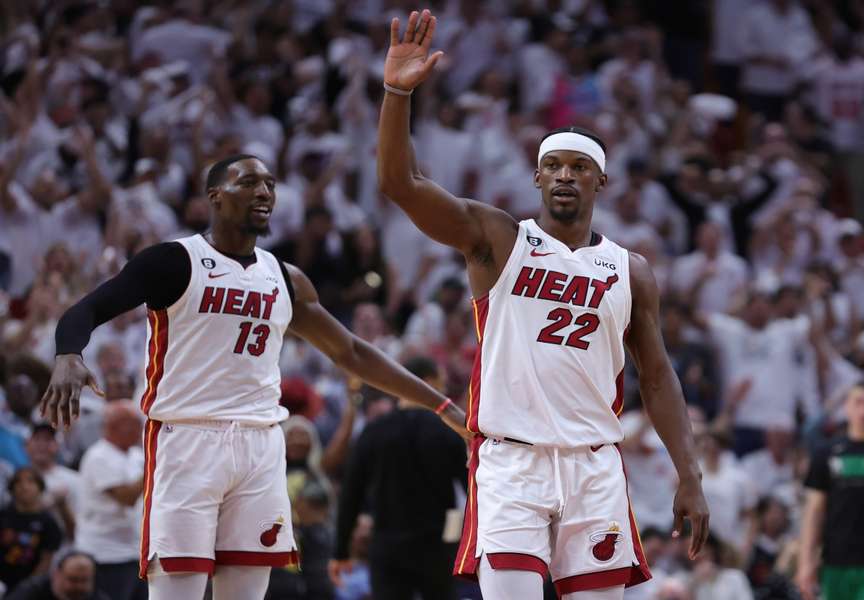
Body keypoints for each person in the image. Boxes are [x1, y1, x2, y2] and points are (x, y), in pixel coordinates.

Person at [377, 10, 709, 599]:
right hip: (512, 463)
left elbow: (657, 377)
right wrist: (397, 94)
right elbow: (402, 185)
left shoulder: (630, 270)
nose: (564, 176)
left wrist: (689, 473)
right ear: (535, 177)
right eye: (552, 165)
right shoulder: (499, 239)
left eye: (579, 167)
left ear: (600, 182)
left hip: (594, 465)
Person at [39, 153, 468, 600]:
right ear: (215, 197)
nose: (264, 192)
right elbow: (86, 308)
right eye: (248, 183)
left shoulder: (286, 277)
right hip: (188, 439)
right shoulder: (174, 261)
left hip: (261, 443)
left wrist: (441, 404)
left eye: (270, 184)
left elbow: (353, 351)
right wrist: (69, 353)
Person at [330, 356, 468, 600]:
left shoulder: (374, 431)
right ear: (426, 383)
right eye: (441, 384)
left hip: (386, 546)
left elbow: (351, 493)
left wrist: (341, 551)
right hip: (437, 546)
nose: (445, 391)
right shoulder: (449, 432)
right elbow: (472, 489)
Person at [796, 381, 864, 600]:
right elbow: (814, 511)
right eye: (859, 402)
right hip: (836, 561)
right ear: (846, 406)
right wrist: (806, 562)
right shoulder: (827, 452)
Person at [75, 401, 146, 600]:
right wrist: (153, 464)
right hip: (104, 553)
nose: (140, 428)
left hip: (134, 551)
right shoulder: (98, 456)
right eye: (134, 423)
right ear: (114, 426)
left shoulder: (136, 455)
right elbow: (127, 497)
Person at [0, 467, 63, 593]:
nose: (24, 487)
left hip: (30, 585)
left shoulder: (48, 523)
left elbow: (46, 560)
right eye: (18, 482)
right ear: (11, 489)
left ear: (40, 488)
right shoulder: (3, 516)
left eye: (31, 482)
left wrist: (30, 586)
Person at [7, 551, 112, 600]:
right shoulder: (31, 591)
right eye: (73, 579)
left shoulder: (97, 596)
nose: (79, 586)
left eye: (84, 580)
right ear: (57, 575)